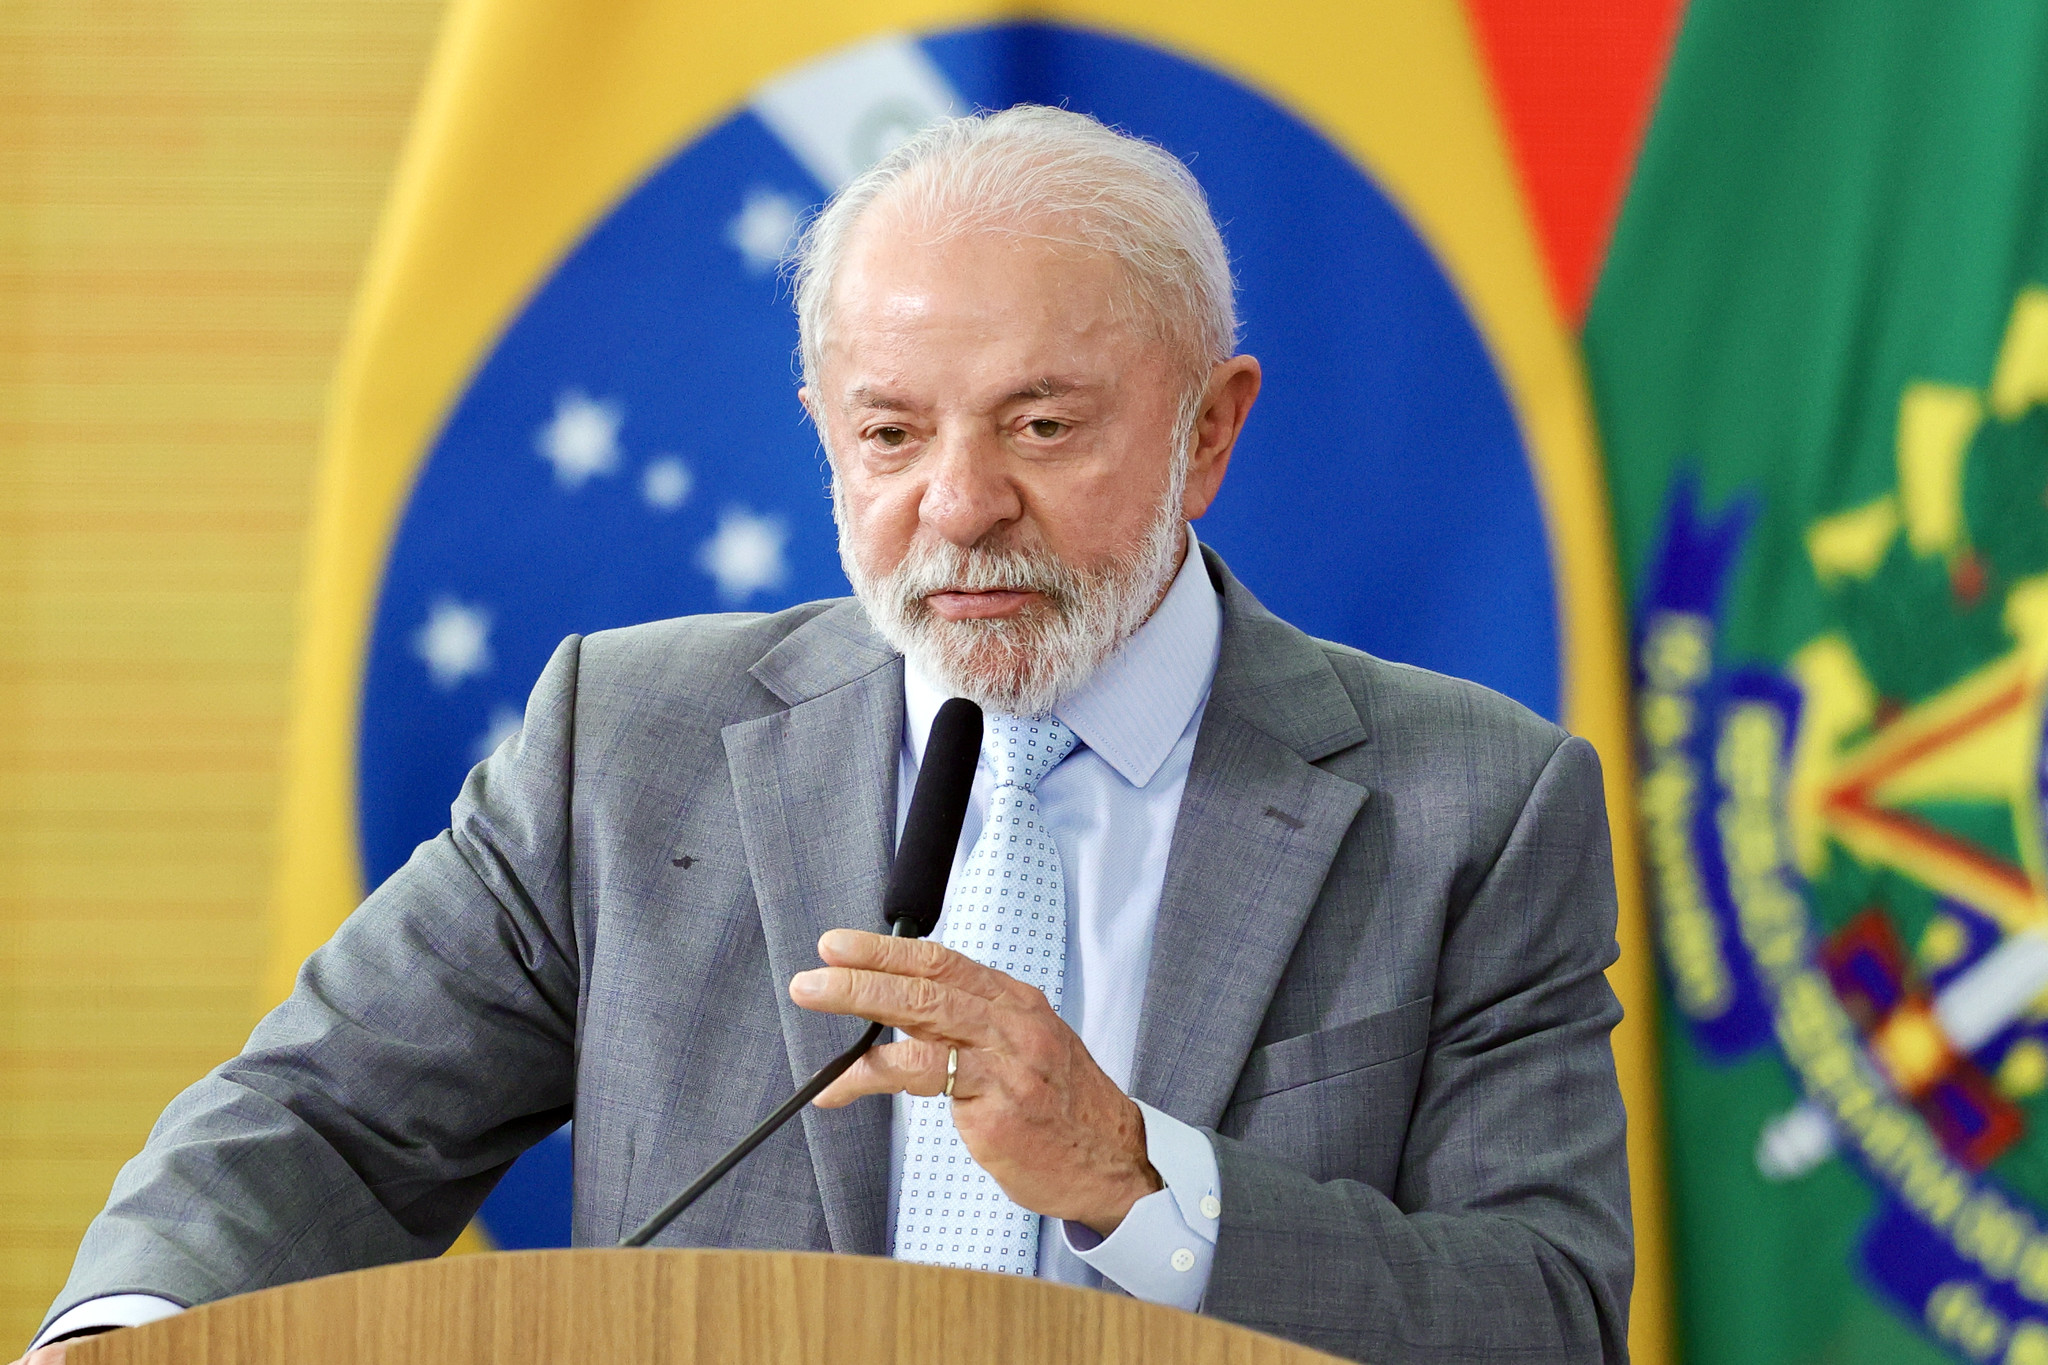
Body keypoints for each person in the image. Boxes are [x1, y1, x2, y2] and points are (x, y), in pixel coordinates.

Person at [19, 105, 1631, 1364]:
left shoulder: (1472, 806)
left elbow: (1546, 1317)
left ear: (1209, 431)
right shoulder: (624, 744)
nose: (960, 503)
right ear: (824, 435)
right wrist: (123, 1335)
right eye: (891, 433)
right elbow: (325, 1124)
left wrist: (1136, 1177)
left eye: (1042, 425)